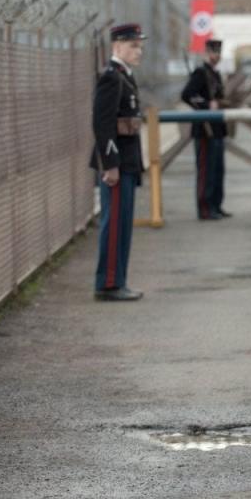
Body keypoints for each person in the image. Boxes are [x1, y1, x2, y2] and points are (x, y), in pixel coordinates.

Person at [90, 23, 146, 301]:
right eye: (134, 45)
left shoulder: (125, 76)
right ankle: (108, 283)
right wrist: (110, 164)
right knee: (114, 225)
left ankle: (118, 280)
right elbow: (102, 124)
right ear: (117, 46)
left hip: (127, 162)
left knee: (122, 224)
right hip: (117, 163)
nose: (139, 50)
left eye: (140, 45)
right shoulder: (112, 77)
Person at [181, 38, 231, 220]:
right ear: (206, 53)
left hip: (217, 129)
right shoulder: (200, 73)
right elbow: (187, 95)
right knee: (206, 171)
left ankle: (216, 205)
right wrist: (205, 104)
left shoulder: (215, 74)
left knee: (218, 170)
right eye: (212, 52)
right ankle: (204, 208)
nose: (215, 56)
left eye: (218, 53)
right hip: (204, 129)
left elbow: (219, 98)